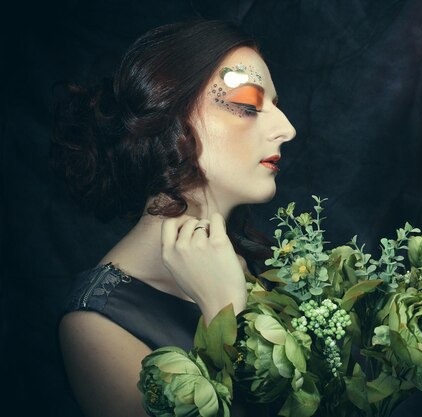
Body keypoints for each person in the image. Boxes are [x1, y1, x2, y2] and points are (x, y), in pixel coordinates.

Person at [52, 19, 296, 417]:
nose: (287, 128)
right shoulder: (95, 326)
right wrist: (224, 315)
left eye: (276, 105)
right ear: (170, 116)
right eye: (249, 104)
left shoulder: (261, 266)